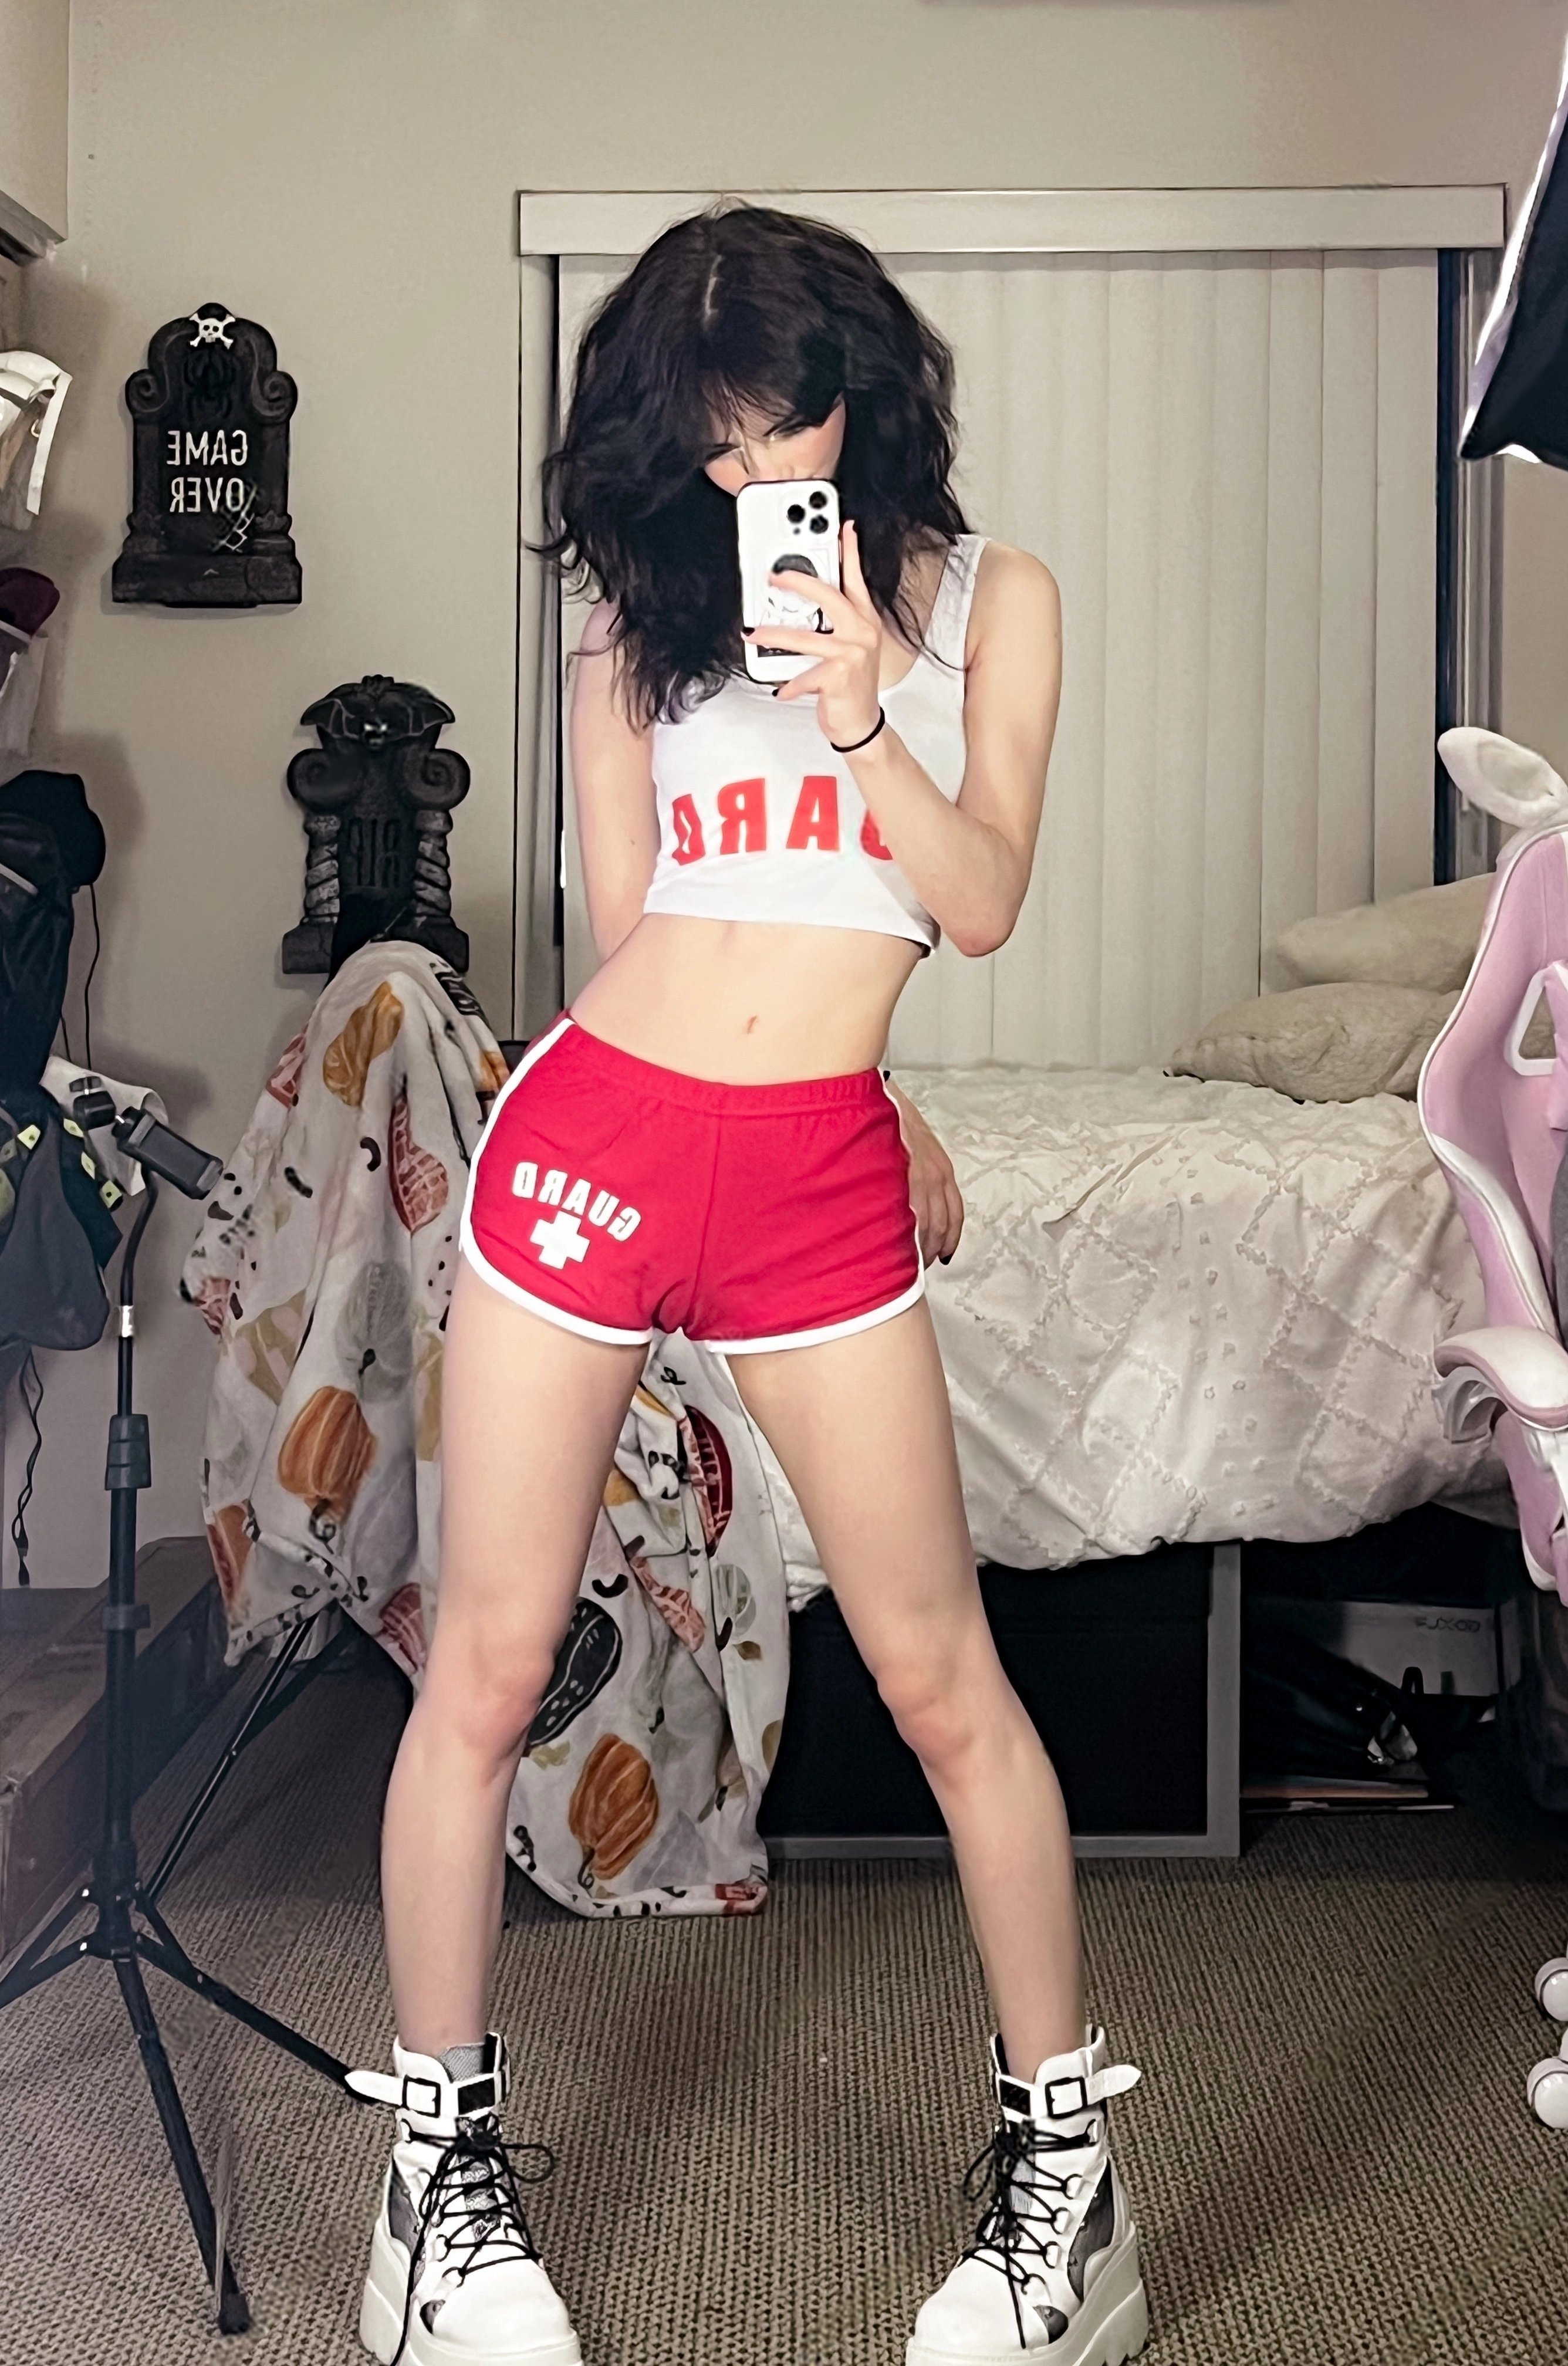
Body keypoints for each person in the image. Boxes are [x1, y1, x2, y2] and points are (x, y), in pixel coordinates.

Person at [349, 204, 1147, 2366]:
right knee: (485, 1667)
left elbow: (979, 900)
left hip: (810, 1186)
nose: (749, 475)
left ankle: (1070, 2188)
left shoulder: (995, 601)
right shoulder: (635, 629)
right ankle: (437, 2190)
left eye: (780, 424)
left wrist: (869, 717)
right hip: (598, 1148)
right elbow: (641, 941)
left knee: (944, 1678)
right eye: (703, 445)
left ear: (859, 395)